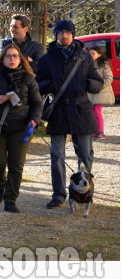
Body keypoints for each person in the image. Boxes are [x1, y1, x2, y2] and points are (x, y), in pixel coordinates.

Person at [36, 19, 103, 210]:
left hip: (81, 109)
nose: (64, 35)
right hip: (57, 110)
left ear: (73, 35)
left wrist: (89, 85)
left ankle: (85, 192)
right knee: (57, 155)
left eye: (68, 32)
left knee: (85, 155)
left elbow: (97, 81)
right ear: (55, 34)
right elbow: (37, 84)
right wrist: (49, 85)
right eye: (60, 32)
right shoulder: (46, 59)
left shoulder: (84, 57)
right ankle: (58, 195)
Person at [0, 44, 42, 213]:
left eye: (15, 56)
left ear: (20, 59)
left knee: (16, 164)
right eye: (8, 56)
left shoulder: (28, 78)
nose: (12, 59)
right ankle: (0, 184)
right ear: (2, 58)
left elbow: (36, 103)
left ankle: (10, 200)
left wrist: (34, 119)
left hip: (21, 126)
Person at [86, 46, 115, 140]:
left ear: (99, 55)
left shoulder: (104, 65)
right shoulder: (87, 64)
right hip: (91, 93)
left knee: (97, 112)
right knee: (90, 112)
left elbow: (109, 78)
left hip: (100, 93)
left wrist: (99, 86)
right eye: (89, 53)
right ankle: (94, 131)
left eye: (93, 53)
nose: (90, 55)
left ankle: (101, 132)